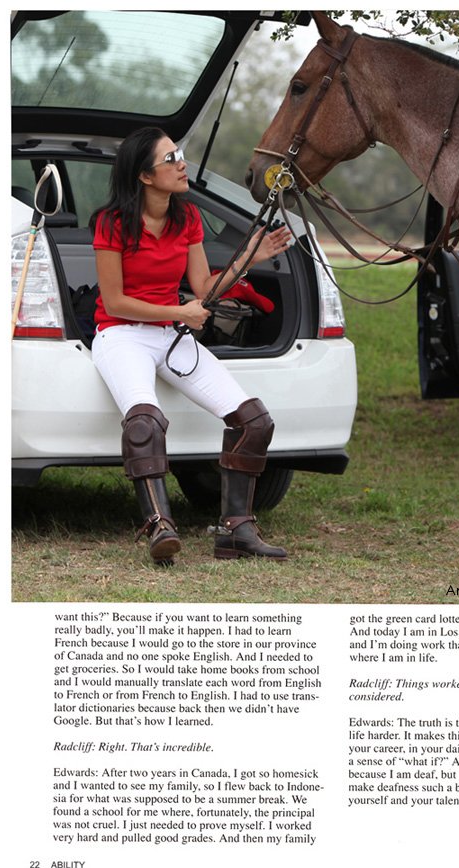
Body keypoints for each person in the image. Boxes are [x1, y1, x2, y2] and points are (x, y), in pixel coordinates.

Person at [89, 126, 291, 565]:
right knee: (144, 423)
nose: (182, 164)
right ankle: (159, 525)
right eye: (170, 159)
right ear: (144, 176)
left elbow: (203, 287)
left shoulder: (187, 218)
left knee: (254, 421)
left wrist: (249, 257)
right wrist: (180, 312)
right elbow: (115, 301)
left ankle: (236, 532)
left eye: (178, 154)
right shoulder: (111, 223)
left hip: (169, 334)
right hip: (120, 334)